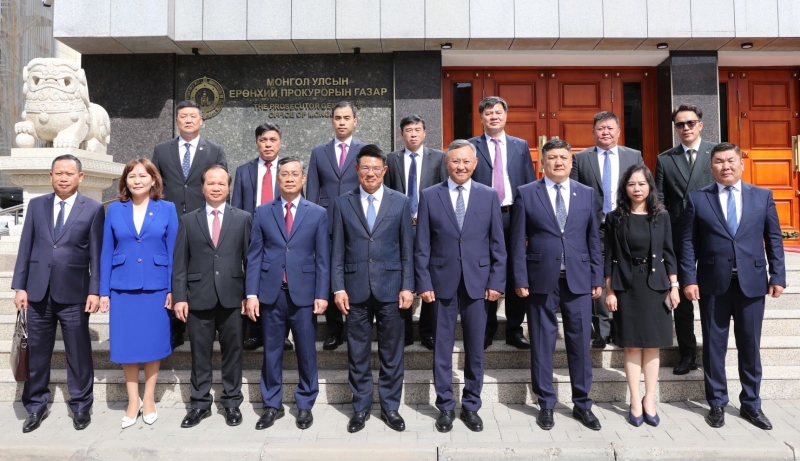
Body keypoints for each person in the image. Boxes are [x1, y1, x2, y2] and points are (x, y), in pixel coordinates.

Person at [681, 142, 786, 430]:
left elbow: (773, 238)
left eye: (730, 160)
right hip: (713, 283)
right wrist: (689, 278)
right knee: (714, 346)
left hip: (752, 284)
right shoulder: (698, 199)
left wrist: (778, 275)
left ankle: (751, 404)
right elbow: (688, 243)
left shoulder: (762, 196)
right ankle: (716, 403)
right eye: (719, 161)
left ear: (741, 163)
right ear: (711, 166)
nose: (725, 166)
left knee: (749, 345)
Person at [511, 139, 603, 431]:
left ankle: (582, 404)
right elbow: (517, 240)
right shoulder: (527, 193)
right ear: (543, 163)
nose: (558, 162)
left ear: (571, 162)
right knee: (541, 342)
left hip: (579, 278)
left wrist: (597, 276)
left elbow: (593, 239)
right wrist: (520, 277)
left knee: (580, 344)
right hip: (540, 279)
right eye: (552, 157)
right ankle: (546, 403)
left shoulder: (585, 193)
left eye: (564, 157)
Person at [415, 139, 505, 433]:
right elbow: (422, 245)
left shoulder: (488, 195)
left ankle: (471, 405)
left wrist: (496, 281)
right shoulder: (430, 195)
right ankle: (445, 406)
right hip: (441, 283)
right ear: (447, 163)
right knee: (442, 347)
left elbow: (498, 244)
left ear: (475, 164)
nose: (461, 166)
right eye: (455, 161)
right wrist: (424, 282)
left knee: (475, 347)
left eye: (466, 161)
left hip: (478, 284)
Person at [12, 154, 105, 433]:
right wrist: (20, 286)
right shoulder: (37, 205)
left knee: (78, 353)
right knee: (38, 353)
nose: (63, 178)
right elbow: (26, 246)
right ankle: (36, 405)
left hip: (75, 293)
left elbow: (96, 254)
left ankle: (81, 405)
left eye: (69, 173)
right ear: (51, 176)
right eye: (58, 173)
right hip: (38, 292)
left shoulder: (93, 209)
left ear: (80, 177)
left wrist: (95, 290)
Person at [331, 145, 414, 433]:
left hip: (391, 288)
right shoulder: (342, 203)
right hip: (354, 289)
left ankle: (390, 407)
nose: (370, 173)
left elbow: (407, 249)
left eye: (376, 168)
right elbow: (337, 250)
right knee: (357, 352)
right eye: (365, 168)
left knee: (392, 352)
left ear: (384, 170)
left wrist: (408, 286)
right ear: (357, 170)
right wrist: (338, 287)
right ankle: (361, 407)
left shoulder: (400, 202)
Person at [245, 157, 330, 431]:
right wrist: (251, 293)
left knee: (306, 352)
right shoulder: (262, 212)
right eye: (284, 174)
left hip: (304, 294)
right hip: (271, 294)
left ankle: (305, 404)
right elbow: (254, 256)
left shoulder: (317, 213)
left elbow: (323, 258)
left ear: (303, 178)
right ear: (278, 179)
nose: (290, 178)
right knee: (271, 352)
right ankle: (272, 404)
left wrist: (322, 293)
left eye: (295, 174)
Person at [99, 158, 178, 429]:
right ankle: (133, 401)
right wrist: (103, 291)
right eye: (132, 176)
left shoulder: (167, 209)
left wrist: (173, 289)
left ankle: (150, 398)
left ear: (153, 180)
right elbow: (106, 252)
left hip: (157, 287)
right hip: (122, 287)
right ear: (125, 181)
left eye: (143, 176)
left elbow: (173, 251)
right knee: (127, 344)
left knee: (153, 343)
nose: (137, 180)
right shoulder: (115, 210)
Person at [172, 165, 251, 428]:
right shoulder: (188, 220)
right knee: (199, 353)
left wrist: (249, 294)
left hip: (233, 298)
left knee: (233, 352)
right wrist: (180, 297)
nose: (216, 187)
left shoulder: (242, 218)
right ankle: (199, 404)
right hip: (198, 297)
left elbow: (249, 260)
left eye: (221, 183)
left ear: (228, 187)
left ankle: (232, 402)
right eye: (211, 183)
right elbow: (180, 263)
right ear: (202, 187)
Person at [604, 164, 680, 427]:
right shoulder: (615, 218)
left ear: (650, 187)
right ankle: (635, 400)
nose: (637, 189)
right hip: (626, 285)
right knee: (632, 345)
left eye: (642, 183)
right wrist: (610, 290)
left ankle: (650, 398)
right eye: (631, 184)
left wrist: (674, 286)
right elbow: (609, 256)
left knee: (652, 344)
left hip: (655, 286)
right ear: (624, 188)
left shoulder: (661, 216)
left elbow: (669, 252)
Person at [152, 99, 227, 349]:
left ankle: (205, 323)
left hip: (203, 221)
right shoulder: (162, 150)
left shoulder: (214, 150)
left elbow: (221, 185)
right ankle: (175, 328)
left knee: (202, 269)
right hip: (170, 221)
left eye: (193, 116)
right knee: (175, 270)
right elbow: (155, 186)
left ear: (201, 121)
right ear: (176, 120)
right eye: (183, 116)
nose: (188, 120)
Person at [570, 111, 644, 349]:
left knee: (625, 273)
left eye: (610, 128)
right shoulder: (581, 158)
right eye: (601, 128)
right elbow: (574, 193)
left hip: (626, 226)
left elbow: (643, 187)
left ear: (619, 131)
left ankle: (622, 326)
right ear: (593, 132)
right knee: (598, 275)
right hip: (594, 227)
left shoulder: (633, 156)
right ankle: (602, 329)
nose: (605, 132)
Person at [469, 96, 536, 350]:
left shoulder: (520, 145)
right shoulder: (471, 146)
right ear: (481, 118)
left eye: (498, 112)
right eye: (488, 113)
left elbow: (529, 183)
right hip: (483, 216)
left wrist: (531, 220)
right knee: (486, 270)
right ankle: (486, 329)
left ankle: (514, 329)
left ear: (505, 116)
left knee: (515, 269)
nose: (494, 117)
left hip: (513, 214)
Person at [655, 104, 716, 375]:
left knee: (712, 299)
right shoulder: (665, 159)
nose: (686, 128)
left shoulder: (716, 153)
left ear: (700, 124)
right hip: (680, 237)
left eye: (690, 123)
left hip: (713, 234)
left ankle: (713, 354)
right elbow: (659, 200)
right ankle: (687, 353)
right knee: (681, 301)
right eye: (680, 124)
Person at [307, 101, 366, 351]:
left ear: (355, 121)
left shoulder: (365, 150)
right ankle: (334, 330)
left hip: (357, 221)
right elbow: (312, 191)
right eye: (337, 118)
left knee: (354, 273)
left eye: (346, 117)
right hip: (327, 222)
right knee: (330, 273)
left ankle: (355, 327)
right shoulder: (319, 152)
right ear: (332, 121)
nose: (342, 122)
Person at [385, 114, 447, 349]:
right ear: (402, 134)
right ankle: (405, 332)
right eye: (408, 130)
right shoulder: (391, 159)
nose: (413, 134)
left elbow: (443, 192)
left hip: (428, 227)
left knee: (429, 276)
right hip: (400, 227)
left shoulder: (438, 158)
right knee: (402, 278)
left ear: (424, 132)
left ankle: (427, 331)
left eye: (417, 130)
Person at [231, 122, 292, 352]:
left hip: (282, 235)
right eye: (263, 140)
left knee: (281, 281)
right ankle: (255, 333)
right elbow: (237, 206)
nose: (268, 144)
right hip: (252, 233)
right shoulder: (243, 170)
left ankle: (282, 334)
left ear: (280, 142)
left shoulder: (288, 170)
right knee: (252, 279)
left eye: (272, 140)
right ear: (257, 143)